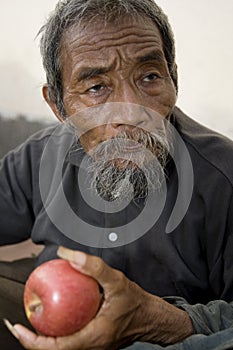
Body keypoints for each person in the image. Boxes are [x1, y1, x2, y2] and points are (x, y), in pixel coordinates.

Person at [1, 0, 233, 349]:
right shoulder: (38, 158)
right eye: (97, 87)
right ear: (58, 106)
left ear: (174, 78)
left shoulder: (223, 178)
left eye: (150, 76)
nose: (132, 111)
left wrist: (162, 322)